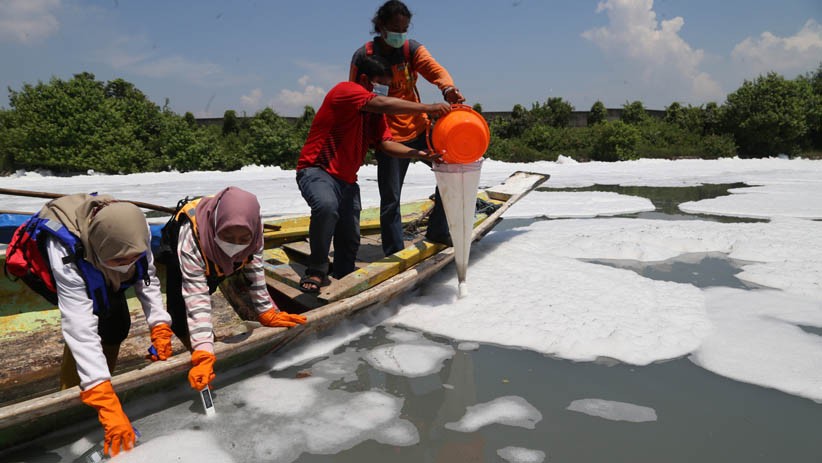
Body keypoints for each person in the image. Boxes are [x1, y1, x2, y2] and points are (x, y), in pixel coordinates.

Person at [5, 193, 173, 457]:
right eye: (120, 261)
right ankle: (78, 396)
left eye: (132, 257)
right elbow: (79, 324)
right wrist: (105, 399)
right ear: (99, 250)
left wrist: (160, 326)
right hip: (46, 270)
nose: (128, 264)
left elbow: (147, 279)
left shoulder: (136, 236)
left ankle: (100, 383)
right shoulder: (63, 249)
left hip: (100, 259)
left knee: (117, 323)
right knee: (98, 317)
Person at [297, 54, 450, 293]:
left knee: (350, 234)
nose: (385, 91)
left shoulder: (375, 117)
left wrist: (420, 154)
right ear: (367, 80)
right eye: (381, 84)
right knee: (327, 207)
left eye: (387, 87)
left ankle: (344, 274)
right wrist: (427, 108)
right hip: (317, 171)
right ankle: (316, 270)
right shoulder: (346, 90)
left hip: (347, 181)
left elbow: (387, 144)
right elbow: (380, 104)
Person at [160, 186, 307, 392]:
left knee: (211, 285)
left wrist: (266, 311)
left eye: (243, 240)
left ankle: (202, 345)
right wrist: (203, 352)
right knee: (180, 315)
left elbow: (254, 269)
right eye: (228, 236)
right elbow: (196, 298)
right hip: (188, 256)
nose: (235, 245)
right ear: (218, 228)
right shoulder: (190, 238)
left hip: (215, 258)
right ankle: (196, 353)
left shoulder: (254, 229)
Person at [350, 0, 466, 255]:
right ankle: (394, 252)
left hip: (420, 130)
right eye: (394, 28)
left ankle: (439, 231)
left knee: (451, 176)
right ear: (380, 26)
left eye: (404, 29)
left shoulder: (410, 49)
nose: (399, 34)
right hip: (388, 138)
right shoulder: (364, 57)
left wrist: (447, 88)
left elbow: (435, 70)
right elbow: (357, 100)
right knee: (391, 199)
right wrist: (364, 141)